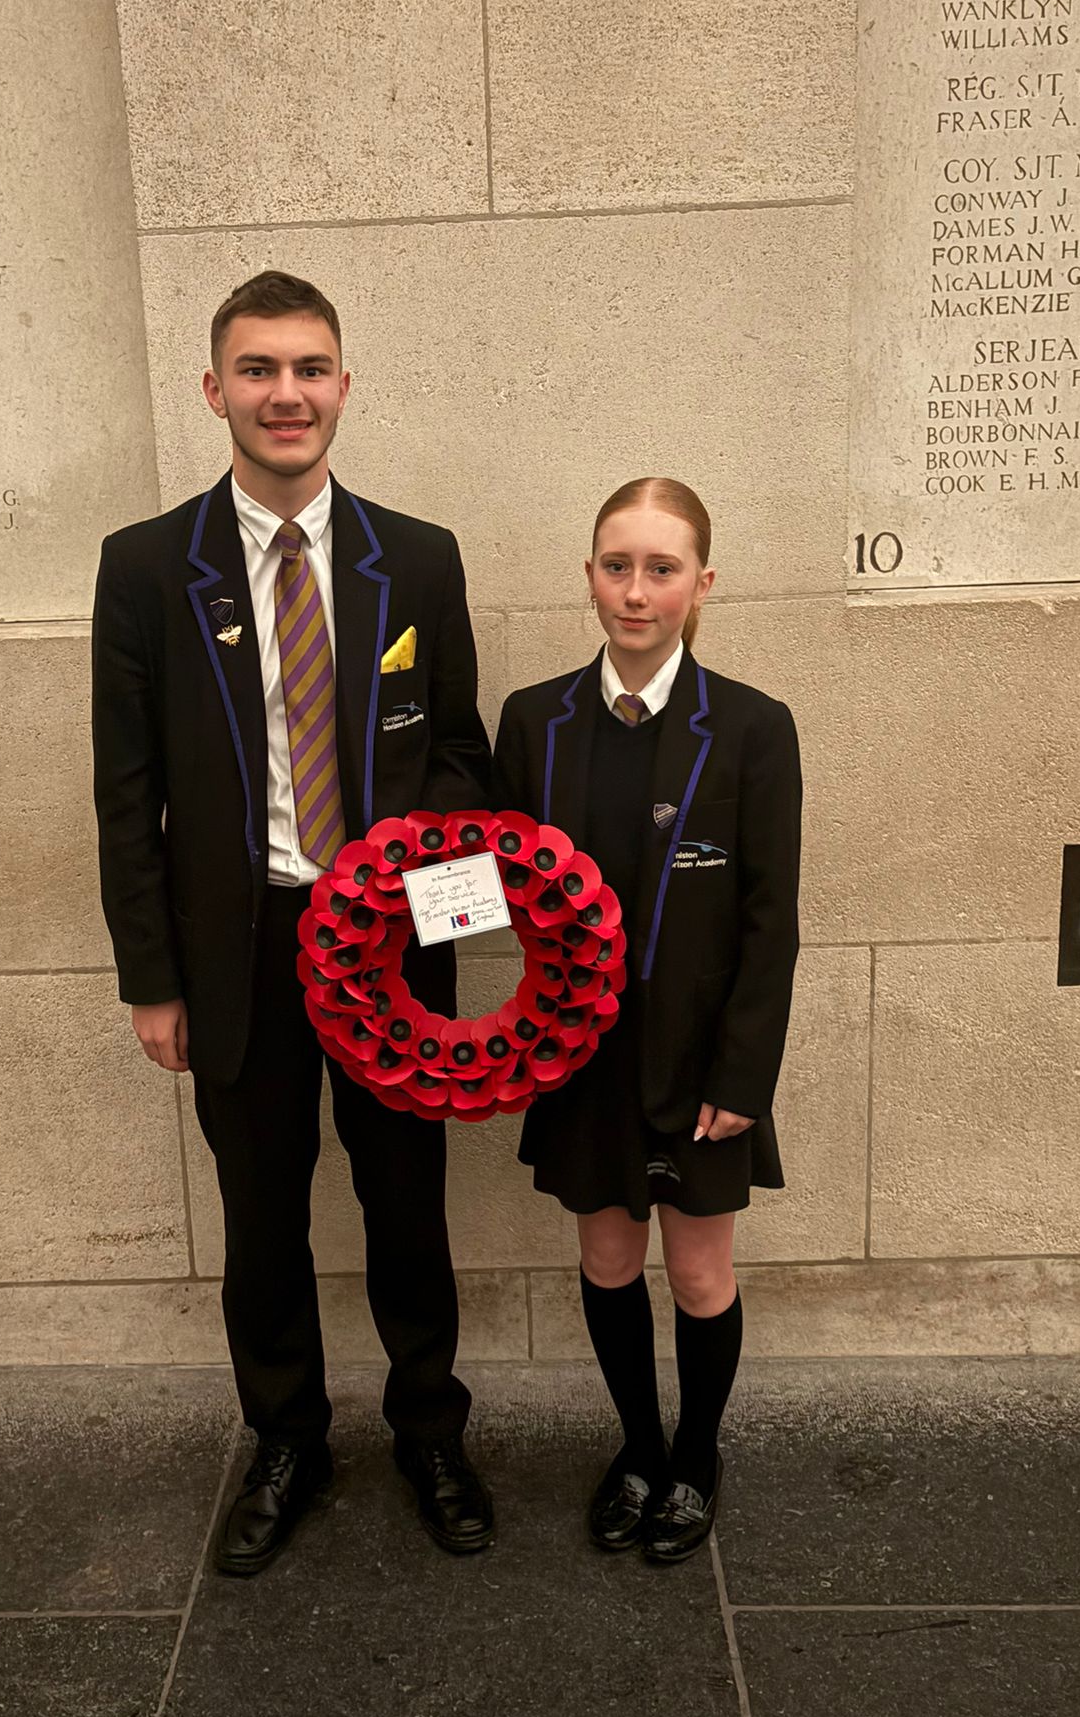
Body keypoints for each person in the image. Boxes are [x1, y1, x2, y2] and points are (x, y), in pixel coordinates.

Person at [91, 271, 495, 1576]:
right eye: (258, 370)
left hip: (387, 950)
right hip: (241, 955)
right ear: (215, 391)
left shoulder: (416, 558)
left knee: (406, 1204)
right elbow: (127, 791)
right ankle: (286, 1439)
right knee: (261, 1217)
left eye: (309, 367)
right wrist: (153, 982)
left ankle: (431, 1431)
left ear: (342, 384)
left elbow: (459, 765)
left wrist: (433, 921)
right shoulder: (149, 568)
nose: (286, 394)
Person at [492, 478, 801, 1564]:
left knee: (701, 1274)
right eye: (617, 565)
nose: (636, 590)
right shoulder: (535, 721)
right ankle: (634, 1445)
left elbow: (772, 922)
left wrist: (744, 1077)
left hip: (700, 1064)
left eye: (661, 568)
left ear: (701, 584)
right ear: (588, 574)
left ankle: (698, 1453)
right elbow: (494, 878)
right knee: (610, 1259)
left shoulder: (754, 727)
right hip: (580, 1058)